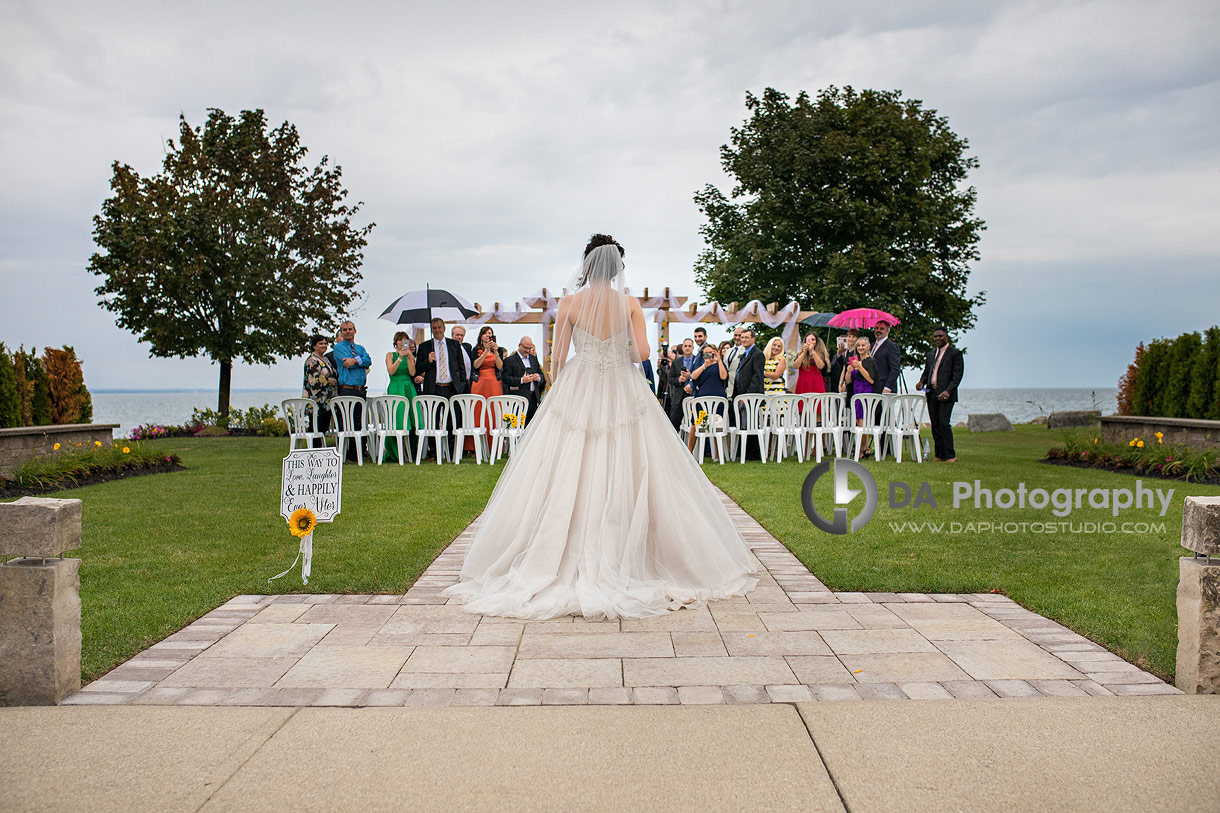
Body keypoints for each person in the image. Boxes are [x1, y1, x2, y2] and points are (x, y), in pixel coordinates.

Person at [442, 234, 757, 619]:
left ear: (587, 265)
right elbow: (642, 353)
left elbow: (557, 358)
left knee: (566, 460)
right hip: (622, 385)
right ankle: (638, 553)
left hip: (580, 382)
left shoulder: (570, 304)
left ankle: (552, 555)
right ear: (617, 269)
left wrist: (561, 387)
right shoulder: (628, 303)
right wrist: (615, 350)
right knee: (635, 458)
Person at [415, 317, 469, 458]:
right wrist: (428, 360)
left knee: (452, 420)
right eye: (434, 328)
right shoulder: (425, 347)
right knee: (433, 420)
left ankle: (451, 452)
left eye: (439, 327)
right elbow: (417, 368)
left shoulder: (454, 345)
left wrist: (461, 386)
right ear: (431, 329)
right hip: (433, 388)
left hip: (451, 387)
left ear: (444, 328)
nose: (437, 330)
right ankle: (433, 452)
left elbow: (461, 367)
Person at [917, 326, 964, 462]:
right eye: (935, 336)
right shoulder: (930, 354)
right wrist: (921, 382)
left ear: (946, 336)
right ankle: (939, 454)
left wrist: (948, 391)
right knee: (935, 424)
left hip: (946, 394)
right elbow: (927, 372)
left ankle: (950, 455)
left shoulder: (954, 354)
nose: (937, 338)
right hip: (931, 392)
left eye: (940, 336)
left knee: (944, 423)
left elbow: (957, 376)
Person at [333, 320, 372, 462]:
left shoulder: (360, 347)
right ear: (341, 332)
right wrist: (359, 361)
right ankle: (348, 454)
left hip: (361, 390)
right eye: (345, 330)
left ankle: (358, 453)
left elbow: (368, 361)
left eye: (350, 329)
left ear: (355, 331)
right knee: (347, 423)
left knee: (359, 423)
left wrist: (355, 361)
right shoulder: (339, 348)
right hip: (347, 389)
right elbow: (347, 364)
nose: (348, 332)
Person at [687, 342, 728, 457]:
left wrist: (718, 360)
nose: (709, 355)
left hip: (718, 399)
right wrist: (705, 365)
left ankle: (718, 454)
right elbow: (693, 376)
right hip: (702, 400)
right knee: (695, 425)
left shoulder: (721, 364)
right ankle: (690, 452)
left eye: (711, 352)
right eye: (706, 353)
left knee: (717, 425)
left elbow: (723, 376)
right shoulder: (701, 365)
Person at [468, 325, 505, 449]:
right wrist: (485, 352)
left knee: (494, 410)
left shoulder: (497, 350)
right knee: (479, 411)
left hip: (494, 383)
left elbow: (500, 367)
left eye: (490, 333)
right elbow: (476, 365)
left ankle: (493, 444)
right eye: (486, 333)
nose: (488, 335)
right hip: (480, 383)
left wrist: (495, 352)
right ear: (481, 336)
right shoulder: (475, 350)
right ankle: (477, 445)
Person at [382, 332, 417, 462]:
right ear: (395, 342)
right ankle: (397, 452)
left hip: (408, 387)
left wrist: (409, 358)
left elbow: (412, 372)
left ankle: (410, 451)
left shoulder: (410, 356)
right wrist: (400, 358)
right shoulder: (390, 355)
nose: (402, 343)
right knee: (398, 420)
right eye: (400, 340)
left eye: (405, 340)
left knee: (411, 419)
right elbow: (391, 371)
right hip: (396, 388)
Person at [843, 336, 878, 456]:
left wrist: (860, 367)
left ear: (868, 347)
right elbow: (848, 381)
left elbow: (871, 379)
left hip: (866, 393)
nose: (860, 348)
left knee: (863, 423)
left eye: (863, 345)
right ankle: (864, 448)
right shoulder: (855, 361)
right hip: (856, 393)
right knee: (859, 421)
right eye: (859, 345)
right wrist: (848, 371)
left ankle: (862, 449)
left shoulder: (870, 361)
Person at [301, 334, 336, 444]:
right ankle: (313, 451)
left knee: (323, 428)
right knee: (315, 428)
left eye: (325, 343)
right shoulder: (312, 361)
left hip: (327, 401)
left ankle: (320, 451)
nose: (324, 345)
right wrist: (330, 381)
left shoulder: (325, 359)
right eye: (321, 343)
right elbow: (315, 380)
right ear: (314, 346)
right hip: (316, 400)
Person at [503, 336, 545, 424]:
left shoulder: (533, 359)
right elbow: (505, 378)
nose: (528, 351)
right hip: (518, 399)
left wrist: (539, 377)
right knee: (518, 425)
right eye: (526, 348)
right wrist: (522, 380)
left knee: (531, 426)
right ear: (519, 345)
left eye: (530, 348)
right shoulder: (510, 360)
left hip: (533, 398)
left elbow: (542, 375)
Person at [667, 338, 697, 431]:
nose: (687, 348)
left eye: (689, 346)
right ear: (682, 348)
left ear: (693, 347)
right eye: (685, 346)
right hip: (679, 395)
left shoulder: (697, 361)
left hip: (694, 394)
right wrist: (679, 379)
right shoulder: (676, 362)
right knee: (674, 422)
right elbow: (670, 379)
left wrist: (690, 377)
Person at [871, 319, 902, 395]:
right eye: (876, 328)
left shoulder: (892, 346)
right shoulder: (871, 345)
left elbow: (895, 370)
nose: (878, 330)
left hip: (884, 389)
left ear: (888, 331)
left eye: (882, 329)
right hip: (872, 387)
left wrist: (887, 388)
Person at [452, 325, 474, 393]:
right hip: (455, 384)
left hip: (467, 383)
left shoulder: (467, 347)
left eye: (461, 335)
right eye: (457, 335)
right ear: (452, 335)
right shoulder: (449, 349)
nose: (459, 337)